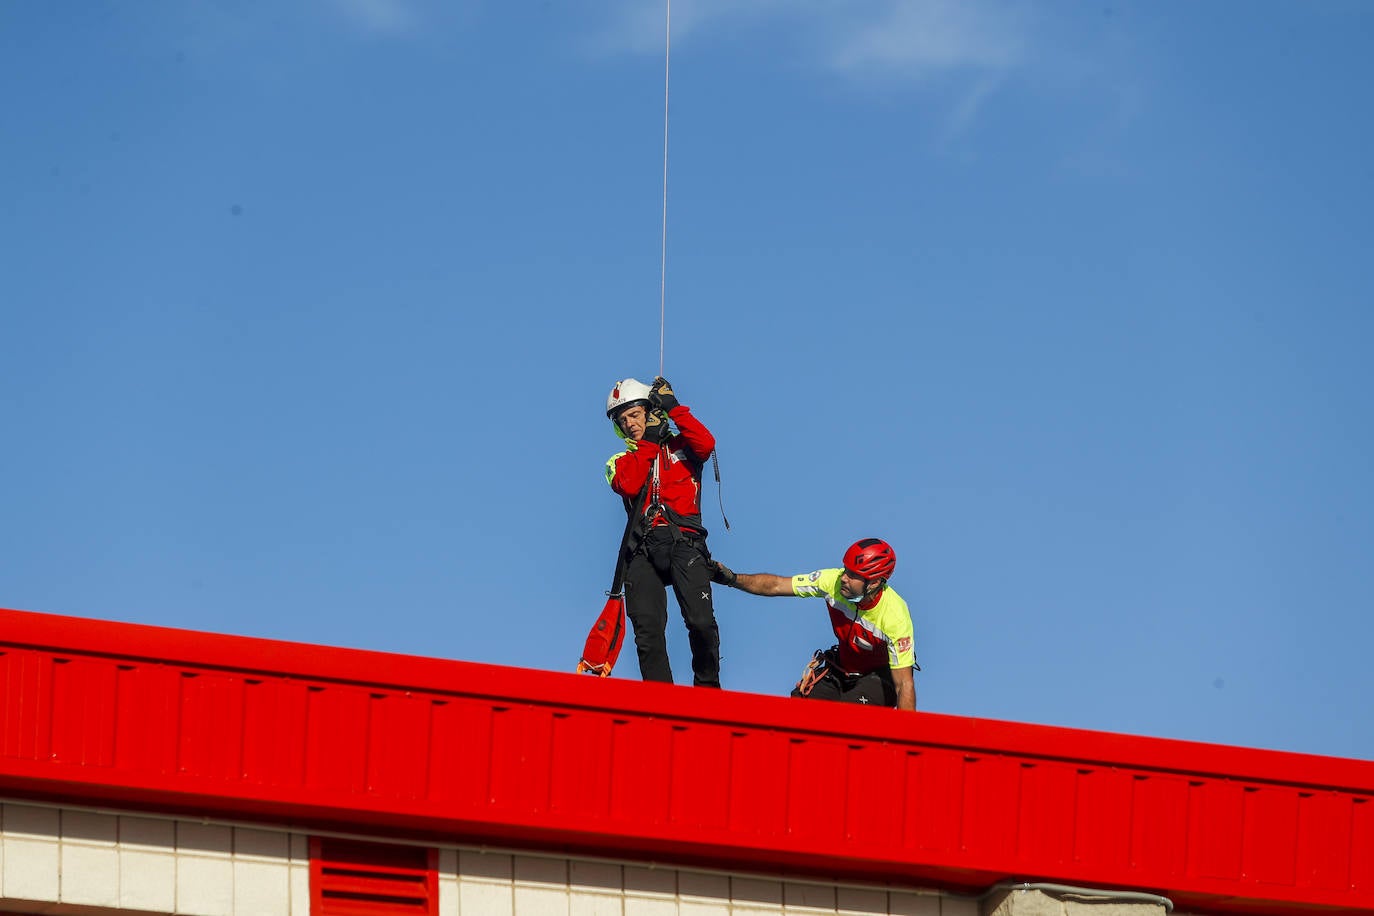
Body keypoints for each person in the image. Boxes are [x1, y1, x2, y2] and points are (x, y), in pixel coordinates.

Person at [605, 377, 721, 687]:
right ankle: (660, 699)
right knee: (648, 632)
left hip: (684, 541)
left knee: (700, 621)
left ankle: (707, 689)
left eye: (635, 414)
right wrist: (649, 443)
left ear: (650, 411)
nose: (629, 424)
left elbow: (706, 444)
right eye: (623, 419)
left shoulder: (684, 445)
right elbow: (628, 483)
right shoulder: (620, 461)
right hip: (642, 549)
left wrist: (673, 407)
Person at [709, 538, 918, 710]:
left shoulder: (895, 616)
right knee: (799, 710)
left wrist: (906, 749)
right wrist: (732, 578)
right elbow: (776, 585)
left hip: (877, 678)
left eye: (854, 575)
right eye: (846, 569)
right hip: (840, 669)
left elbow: (904, 685)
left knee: (849, 720)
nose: (844, 578)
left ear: (874, 582)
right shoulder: (832, 581)